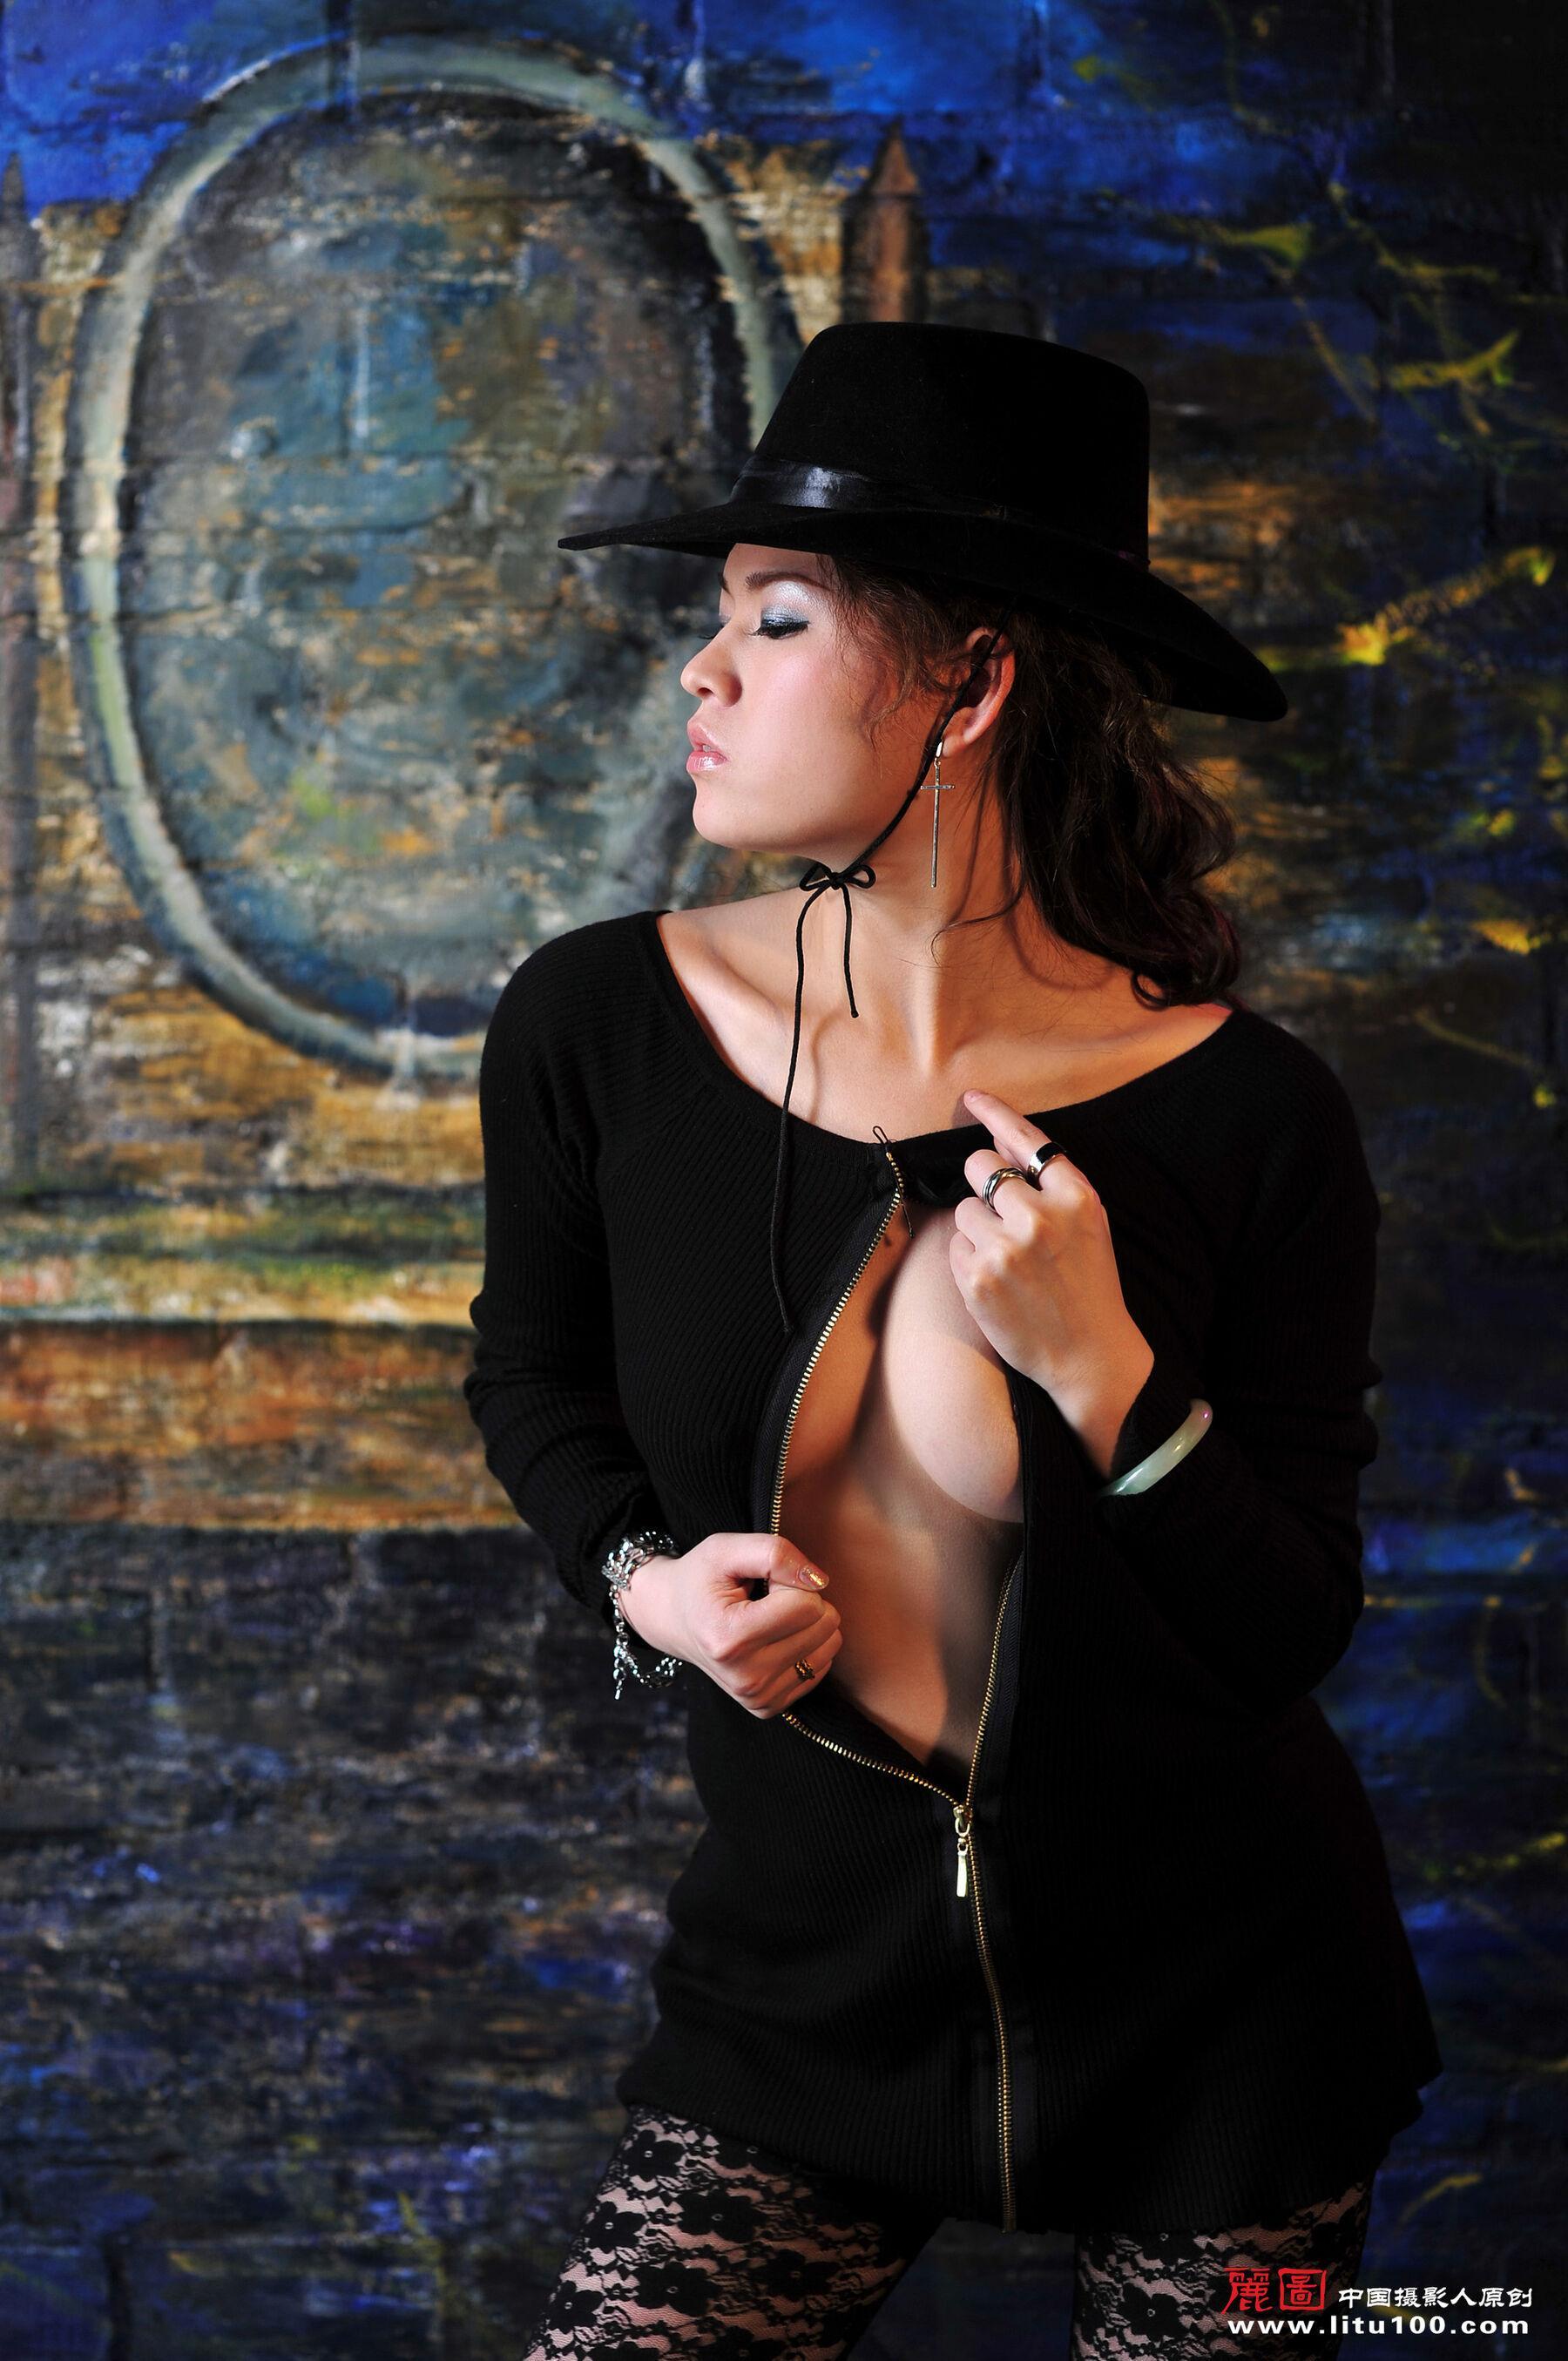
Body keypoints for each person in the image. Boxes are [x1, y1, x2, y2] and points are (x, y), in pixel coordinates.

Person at [463, 322, 1443, 2358]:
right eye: (720, 614)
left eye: (779, 617)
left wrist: (1105, 1372)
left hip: (1233, 2037)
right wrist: (648, 1582)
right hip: (806, 2008)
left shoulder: (1252, 1115)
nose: (702, 670)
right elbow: (532, 1376)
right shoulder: (597, 1027)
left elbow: (1288, 1625)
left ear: (973, 685)